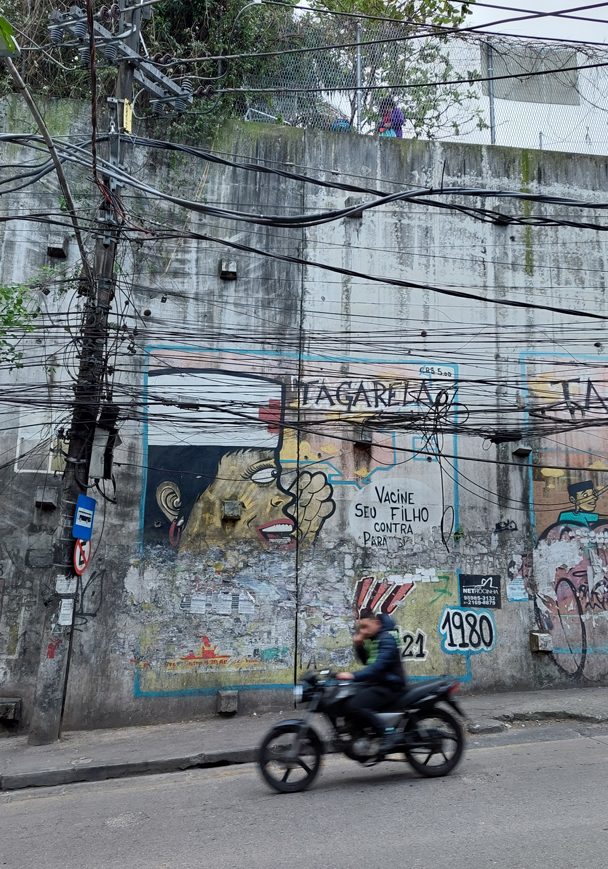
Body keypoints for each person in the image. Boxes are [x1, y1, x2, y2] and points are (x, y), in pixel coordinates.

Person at [337, 608, 406, 753]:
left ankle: (389, 733)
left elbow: (377, 667)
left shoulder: (387, 638)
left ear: (376, 623)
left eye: (365, 627)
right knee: (350, 697)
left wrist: (353, 676)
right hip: (379, 682)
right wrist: (359, 645)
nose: (363, 631)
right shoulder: (375, 638)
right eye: (360, 627)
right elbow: (367, 662)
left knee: (355, 705)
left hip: (390, 685)